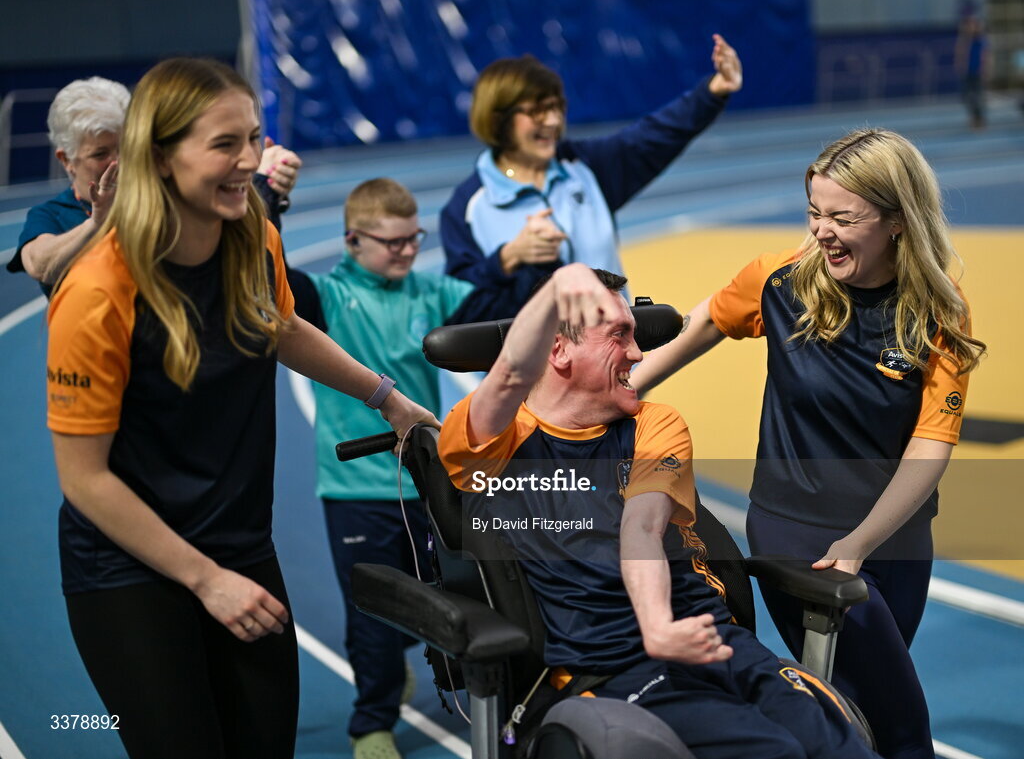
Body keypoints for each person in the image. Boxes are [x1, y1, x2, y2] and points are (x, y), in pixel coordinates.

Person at [45, 58, 436, 759]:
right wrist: (204, 579)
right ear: (161, 157)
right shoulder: (98, 289)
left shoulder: (251, 232)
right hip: (133, 568)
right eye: (225, 144)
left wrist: (389, 399)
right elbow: (84, 479)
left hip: (237, 540)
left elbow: (280, 325)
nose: (250, 161)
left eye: (254, 138)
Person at [632, 129, 986, 759]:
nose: (821, 231)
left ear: (899, 221)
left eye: (843, 217)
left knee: (863, 707)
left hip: (897, 539)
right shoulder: (779, 282)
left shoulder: (938, 311)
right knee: (901, 727)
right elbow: (697, 326)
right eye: (814, 212)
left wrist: (863, 541)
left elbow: (930, 447)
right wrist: (600, 400)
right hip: (798, 535)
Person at [438, 264, 881, 759]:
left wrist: (662, 628)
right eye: (618, 335)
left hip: (713, 639)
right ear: (559, 350)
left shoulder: (655, 423)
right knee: (772, 751)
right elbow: (510, 376)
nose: (637, 352)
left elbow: (642, 527)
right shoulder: (493, 441)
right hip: (616, 668)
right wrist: (559, 287)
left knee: (839, 747)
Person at [282, 177, 489, 759]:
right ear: (352, 241)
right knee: (371, 611)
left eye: (413, 239)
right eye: (392, 242)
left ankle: (458, 688)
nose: (406, 251)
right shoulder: (324, 297)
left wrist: (516, 262)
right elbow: (264, 277)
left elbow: (492, 309)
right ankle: (371, 721)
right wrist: (270, 204)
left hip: (426, 481)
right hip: (353, 489)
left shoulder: (432, 291)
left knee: (444, 594)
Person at [440, 34, 743, 321]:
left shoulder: (586, 167)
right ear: (498, 119)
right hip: (535, 372)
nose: (554, 121)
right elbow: (460, 306)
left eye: (557, 107)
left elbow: (654, 135)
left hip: (615, 360)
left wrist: (713, 91)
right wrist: (507, 259)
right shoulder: (467, 207)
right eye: (537, 112)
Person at [7, 76, 302, 296]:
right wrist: (99, 222)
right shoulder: (52, 216)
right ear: (66, 160)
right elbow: (41, 264)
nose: (118, 162)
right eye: (100, 154)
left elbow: (242, 243)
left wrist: (267, 185)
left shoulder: (167, 190)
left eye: (126, 146)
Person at [954, 6, 989, 130]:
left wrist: (985, 70)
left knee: (978, 97)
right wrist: (960, 66)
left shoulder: (980, 40)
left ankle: (979, 120)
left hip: (977, 72)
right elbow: (960, 53)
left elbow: (985, 56)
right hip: (968, 72)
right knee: (967, 97)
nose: (970, 27)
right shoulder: (965, 40)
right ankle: (974, 118)